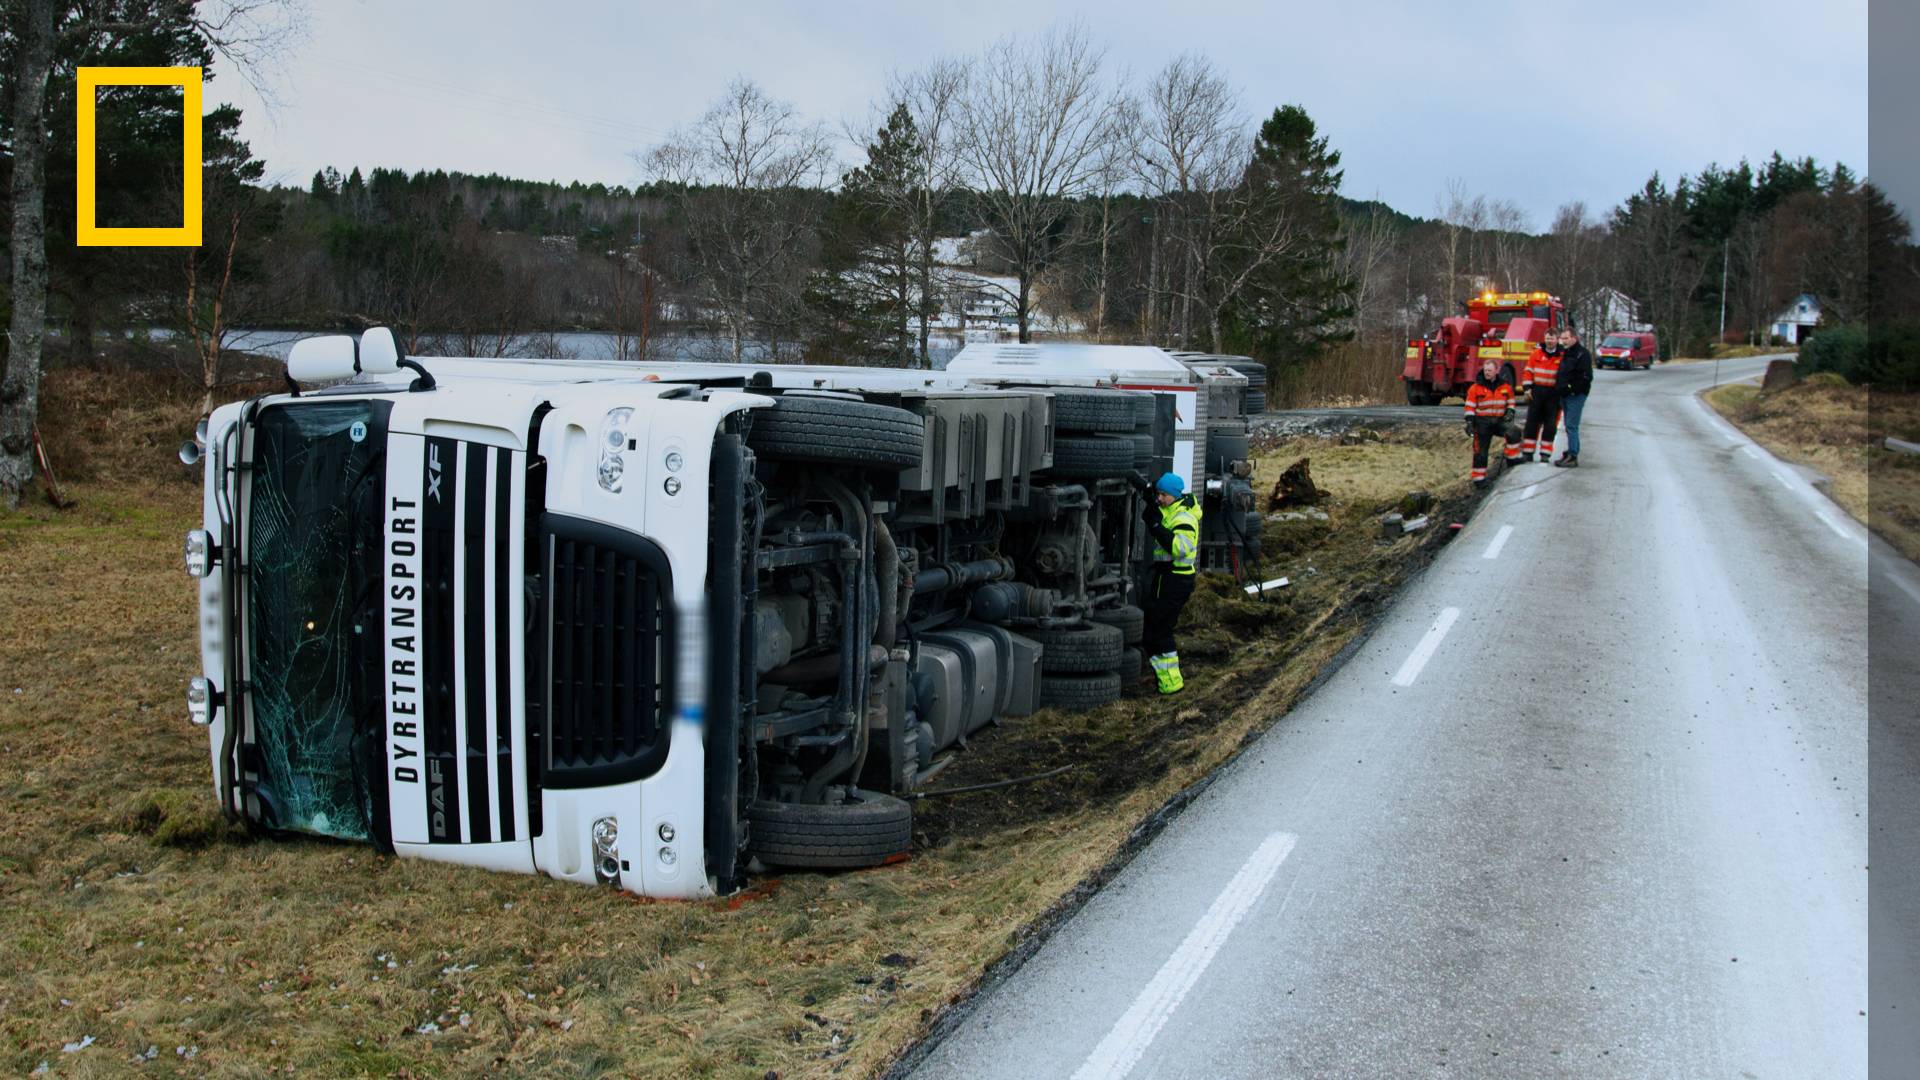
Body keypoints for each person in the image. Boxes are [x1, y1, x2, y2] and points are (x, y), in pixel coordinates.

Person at [1142, 472, 1202, 695]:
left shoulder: (1184, 519)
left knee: (1161, 631)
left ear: (1175, 496)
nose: (1160, 499)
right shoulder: (1171, 511)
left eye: (1163, 495)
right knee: (1153, 630)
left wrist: (1156, 526)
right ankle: (1163, 680)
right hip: (1166, 578)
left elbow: (1178, 548)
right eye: (1158, 494)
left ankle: (1172, 683)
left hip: (1176, 580)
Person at [1463, 357, 1515, 487]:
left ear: (1496, 371)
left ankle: (1513, 460)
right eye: (1486, 370)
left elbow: (1511, 402)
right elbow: (1469, 406)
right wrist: (1469, 422)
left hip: (1499, 420)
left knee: (1514, 432)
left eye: (1490, 370)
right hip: (1482, 422)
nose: (1487, 373)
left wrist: (1510, 412)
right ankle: (1479, 479)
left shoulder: (1505, 386)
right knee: (1480, 451)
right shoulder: (1475, 388)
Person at [1520, 331, 1564, 462]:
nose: (1549, 341)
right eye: (1547, 339)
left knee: (1550, 425)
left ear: (1557, 340)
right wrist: (1527, 389)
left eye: (1552, 339)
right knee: (1532, 423)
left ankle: (1545, 453)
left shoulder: (1562, 356)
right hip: (1537, 392)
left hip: (1553, 393)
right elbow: (1528, 372)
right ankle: (1528, 452)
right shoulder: (1536, 354)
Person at [1553, 327, 1592, 467]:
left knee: (1571, 425)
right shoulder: (1566, 353)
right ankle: (1570, 451)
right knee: (1567, 425)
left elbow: (1585, 377)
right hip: (1564, 395)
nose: (1563, 341)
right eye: (1562, 338)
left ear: (1574, 338)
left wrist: (1571, 389)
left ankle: (1573, 455)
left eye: (1566, 338)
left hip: (1575, 395)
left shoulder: (1582, 354)